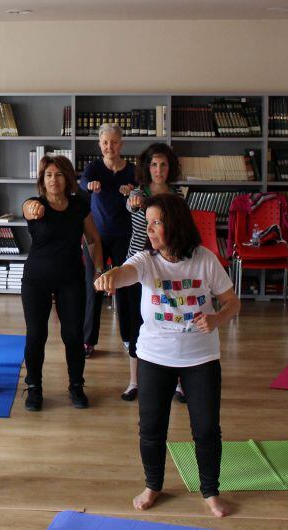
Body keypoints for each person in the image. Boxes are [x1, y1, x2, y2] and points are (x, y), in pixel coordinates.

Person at [94, 193, 239, 518]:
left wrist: (216, 318)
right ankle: (153, 485)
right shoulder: (146, 259)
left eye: (157, 223)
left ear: (174, 224)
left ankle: (210, 491)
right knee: (151, 427)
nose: (151, 230)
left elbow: (233, 302)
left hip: (201, 358)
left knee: (205, 428)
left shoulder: (205, 259)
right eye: (148, 224)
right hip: (154, 356)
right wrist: (109, 277)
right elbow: (125, 271)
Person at [21, 155, 103, 411]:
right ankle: (34, 387)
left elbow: (93, 239)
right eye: (48, 175)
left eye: (58, 175)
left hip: (71, 279)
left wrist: (99, 270)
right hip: (36, 280)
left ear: (67, 178)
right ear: (42, 180)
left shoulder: (79, 205)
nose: (53, 180)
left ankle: (76, 385)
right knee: (36, 335)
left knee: (73, 335)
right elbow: (26, 208)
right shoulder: (35, 204)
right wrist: (31, 208)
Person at [121, 142, 178, 402]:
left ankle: (178, 381)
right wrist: (135, 203)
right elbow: (131, 208)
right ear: (147, 167)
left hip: (169, 266)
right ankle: (134, 381)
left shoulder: (178, 196)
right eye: (154, 164)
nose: (158, 169)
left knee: (173, 320)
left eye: (163, 164)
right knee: (137, 323)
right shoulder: (136, 193)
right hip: (138, 265)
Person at [81, 123, 137, 359]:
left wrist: (133, 191)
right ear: (100, 145)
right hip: (96, 236)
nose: (109, 147)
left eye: (114, 142)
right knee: (93, 286)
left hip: (124, 235)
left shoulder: (132, 170)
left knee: (125, 287)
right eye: (105, 142)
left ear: (121, 144)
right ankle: (88, 341)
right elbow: (82, 183)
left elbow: (141, 193)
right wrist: (89, 185)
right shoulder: (93, 167)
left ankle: (128, 337)